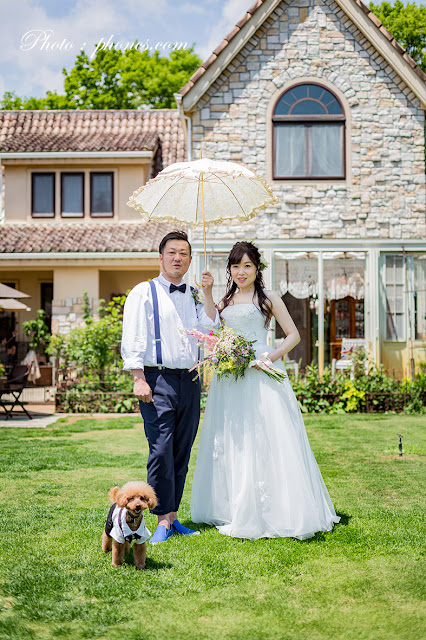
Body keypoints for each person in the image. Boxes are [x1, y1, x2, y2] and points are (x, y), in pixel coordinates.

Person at [191, 241, 340, 540]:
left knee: (266, 434)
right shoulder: (225, 300)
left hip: (261, 369)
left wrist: (269, 358)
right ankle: (234, 505)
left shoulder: (268, 297)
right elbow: (212, 328)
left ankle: (277, 509)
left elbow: (293, 335)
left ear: (257, 268)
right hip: (231, 375)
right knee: (234, 435)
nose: (241, 272)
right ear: (229, 270)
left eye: (247, 266)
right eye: (235, 266)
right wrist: (207, 293)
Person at [121, 230, 219, 544]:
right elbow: (133, 335)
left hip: (190, 379)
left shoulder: (195, 293)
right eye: (172, 252)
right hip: (157, 378)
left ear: (190, 259)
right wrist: (138, 377)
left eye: (184, 253)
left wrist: (208, 293)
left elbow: (210, 328)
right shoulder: (143, 292)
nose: (178, 258)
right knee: (161, 448)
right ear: (161, 257)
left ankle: (173, 517)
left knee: (182, 449)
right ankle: (161, 518)